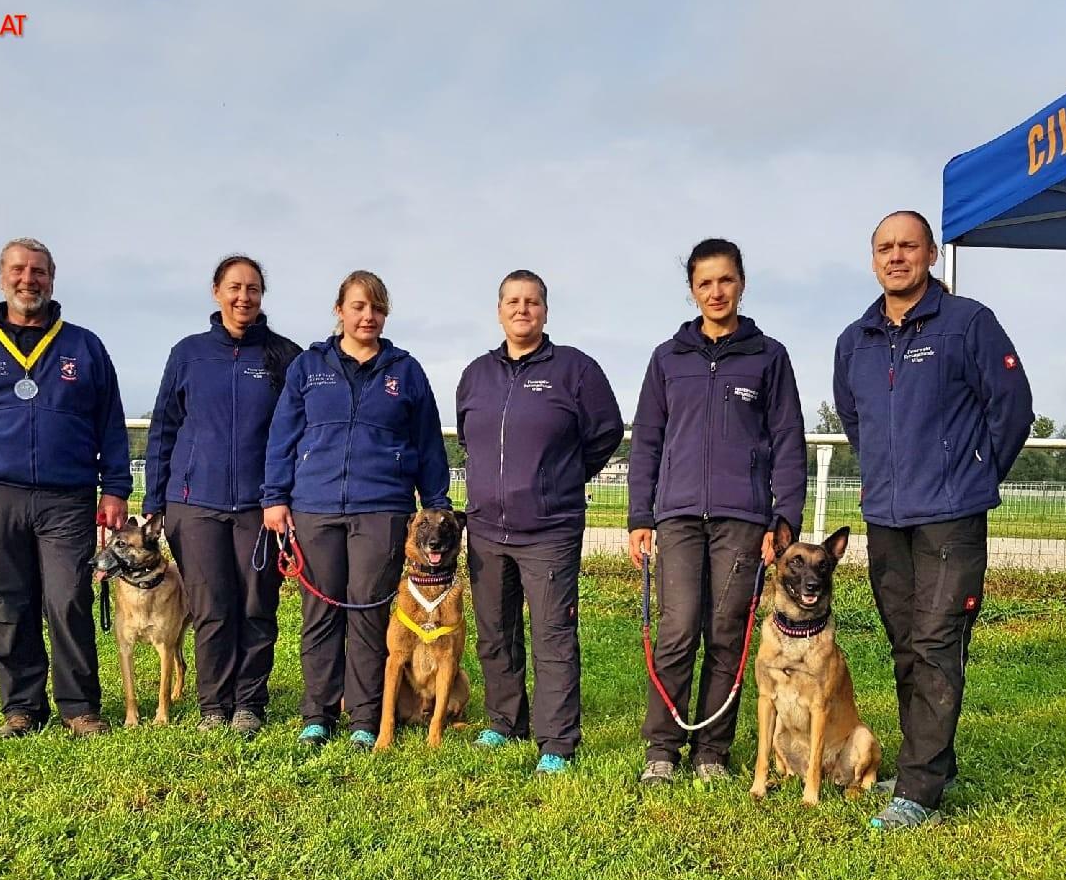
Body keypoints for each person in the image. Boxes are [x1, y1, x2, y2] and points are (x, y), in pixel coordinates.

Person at [834, 210, 1032, 829]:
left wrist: (970, 480)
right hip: (887, 516)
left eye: (909, 246)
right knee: (904, 643)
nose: (897, 257)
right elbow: (856, 422)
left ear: (931, 256)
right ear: (874, 260)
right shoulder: (854, 340)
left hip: (952, 517)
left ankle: (918, 791)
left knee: (938, 641)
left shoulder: (969, 324)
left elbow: (1013, 410)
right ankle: (930, 763)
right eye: (886, 248)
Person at [628, 238, 807, 786]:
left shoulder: (768, 356)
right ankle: (662, 749)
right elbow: (648, 442)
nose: (716, 292)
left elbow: (787, 441)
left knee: (727, 633)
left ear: (741, 283)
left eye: (725, 280)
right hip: (678, 517)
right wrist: (641, 516)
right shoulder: (667, 358)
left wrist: (784, 520)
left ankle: (712, 752)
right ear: (691, 290)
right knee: (677, 631)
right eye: (704, 283)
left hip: (743, 519)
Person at [0, 237, 131, 738]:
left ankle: (79, 708)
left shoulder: (83, 346)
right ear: (2, 277)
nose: (30, 280)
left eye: (40, 272)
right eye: (20, 271)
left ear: (52, 279)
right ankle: (22, 707)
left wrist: (115, 488)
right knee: (9, 601)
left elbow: (110, 423)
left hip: (66, 496)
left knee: (68, 599)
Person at [261, 270, 452, 751]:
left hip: (382, 510)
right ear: (340, 310)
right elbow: (283, 436)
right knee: (321, 613)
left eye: (377, 308)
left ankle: (366, 718)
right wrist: (274, 498)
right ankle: (318, 715)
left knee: (369, 614)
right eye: (359, 306)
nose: (368, 316)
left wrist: (436, 504)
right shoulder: (309, 366)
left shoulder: (405, 371)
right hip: (315, 506)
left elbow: (428, 444)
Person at [455, 269, 623, 775]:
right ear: (499, 309)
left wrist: (561, 478)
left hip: (549, 530)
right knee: (494, 632)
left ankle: (557, 739)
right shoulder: (476, 374)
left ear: (545, 310)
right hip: (485, 527)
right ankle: (505, 721)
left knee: (552, 635)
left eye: (532, 301)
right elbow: (469, 439)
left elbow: (605, 433)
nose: (522, 309)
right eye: (512, 301)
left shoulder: (575, 370)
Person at [142, 255, 301, 736]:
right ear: (216, 291)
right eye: (234, 287)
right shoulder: (188, 353)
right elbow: (164, 428)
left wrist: (285, 496)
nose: (243, 297)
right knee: (211, 609)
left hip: (260, 508)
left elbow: (297, 432)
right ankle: (213, 704)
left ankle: (249, 703)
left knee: (256, 607)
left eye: (253, 289)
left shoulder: (284, 356)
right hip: (194, 505)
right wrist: (155, 500)